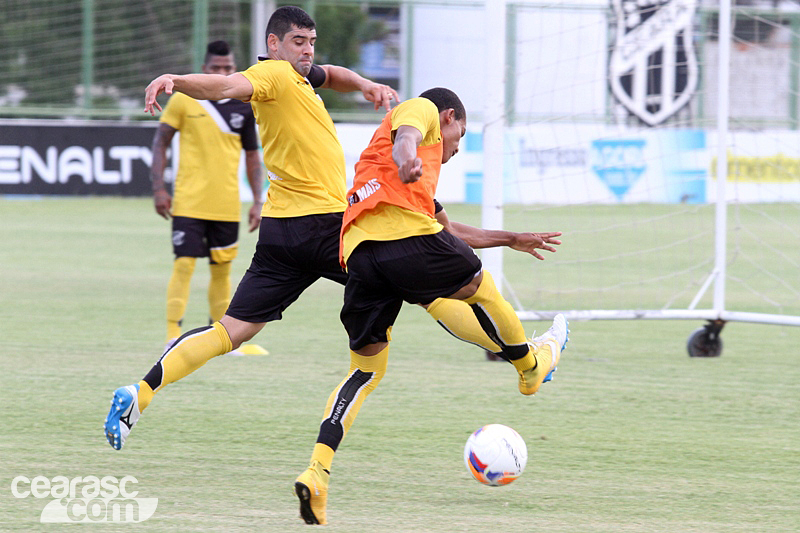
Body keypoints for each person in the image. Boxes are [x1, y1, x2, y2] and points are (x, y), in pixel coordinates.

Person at [293, 88, 569, 525]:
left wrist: (511, 237)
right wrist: (408, 158)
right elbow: (407, 135)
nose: (455, 150)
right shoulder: (418, 115)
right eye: (458, 138)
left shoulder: (396, 174)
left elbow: (449, 229)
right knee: (482, 286)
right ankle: (529, 366)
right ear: (449, 117)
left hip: (363, 255)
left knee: (365, 373)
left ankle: (317, 471)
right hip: (407, 239)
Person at [150, 40, 265, 353]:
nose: (223, 73)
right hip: (188, 201)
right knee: (184, 264)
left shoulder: (244, 104)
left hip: (226, 203)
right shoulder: (184, 100)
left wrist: (258, 200)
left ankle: (224, 337)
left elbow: (253, 155)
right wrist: (159, 188)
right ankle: (172, 335)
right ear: (205, 70)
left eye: (228, 68)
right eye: (216, 68)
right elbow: (160, 143)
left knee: (223, 269)